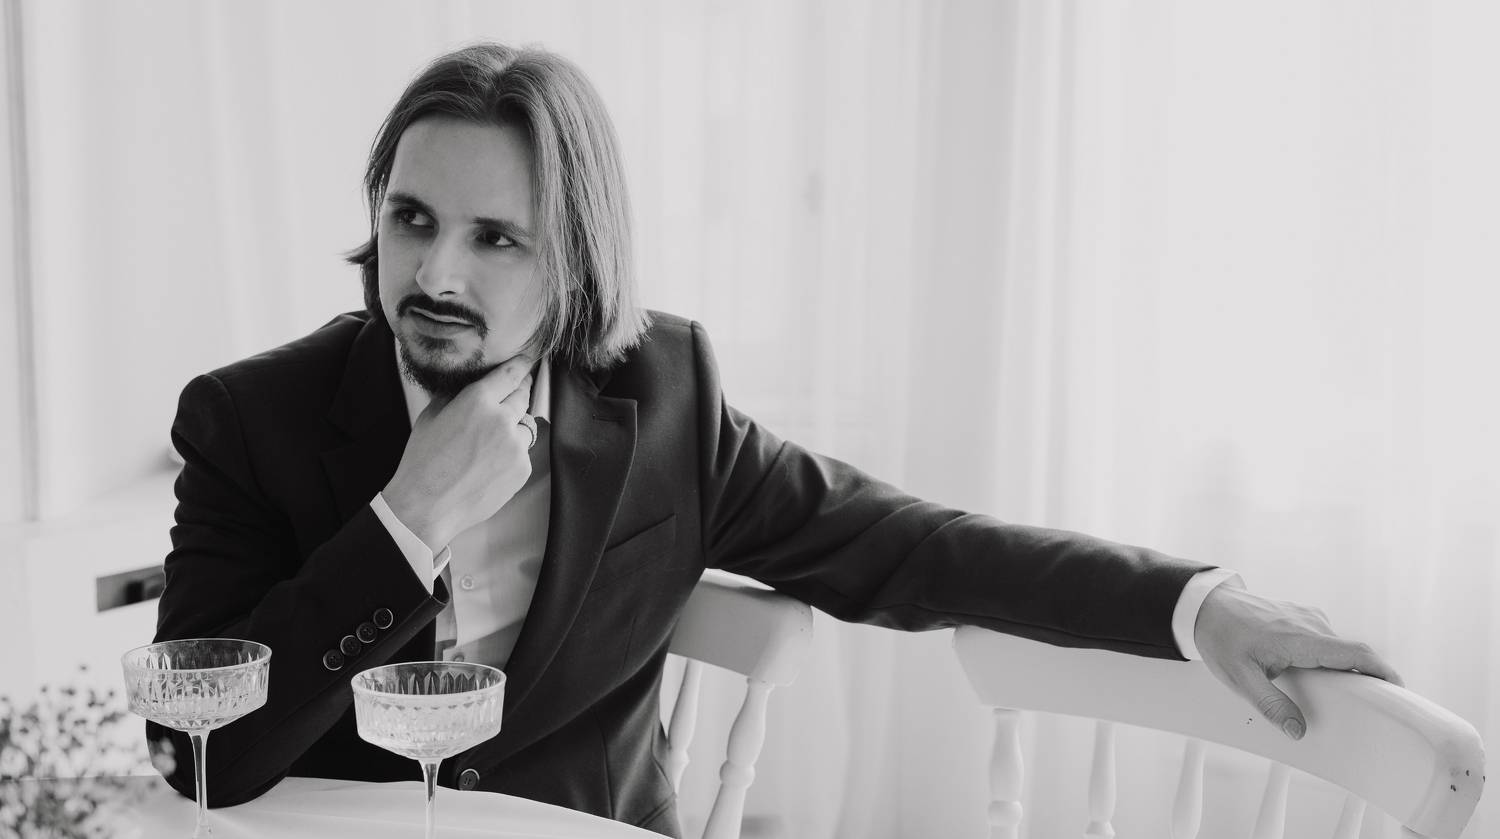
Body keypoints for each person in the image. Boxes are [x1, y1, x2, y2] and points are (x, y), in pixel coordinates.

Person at [148, 42, 1401, 837]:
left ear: (576, 259)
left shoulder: (662, 398)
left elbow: (911, 547)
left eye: (496, 238)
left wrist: (1194, 604)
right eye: (413, 219)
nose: (434, 273)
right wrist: (405, 520)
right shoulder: (250, 418)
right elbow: (197, 759)